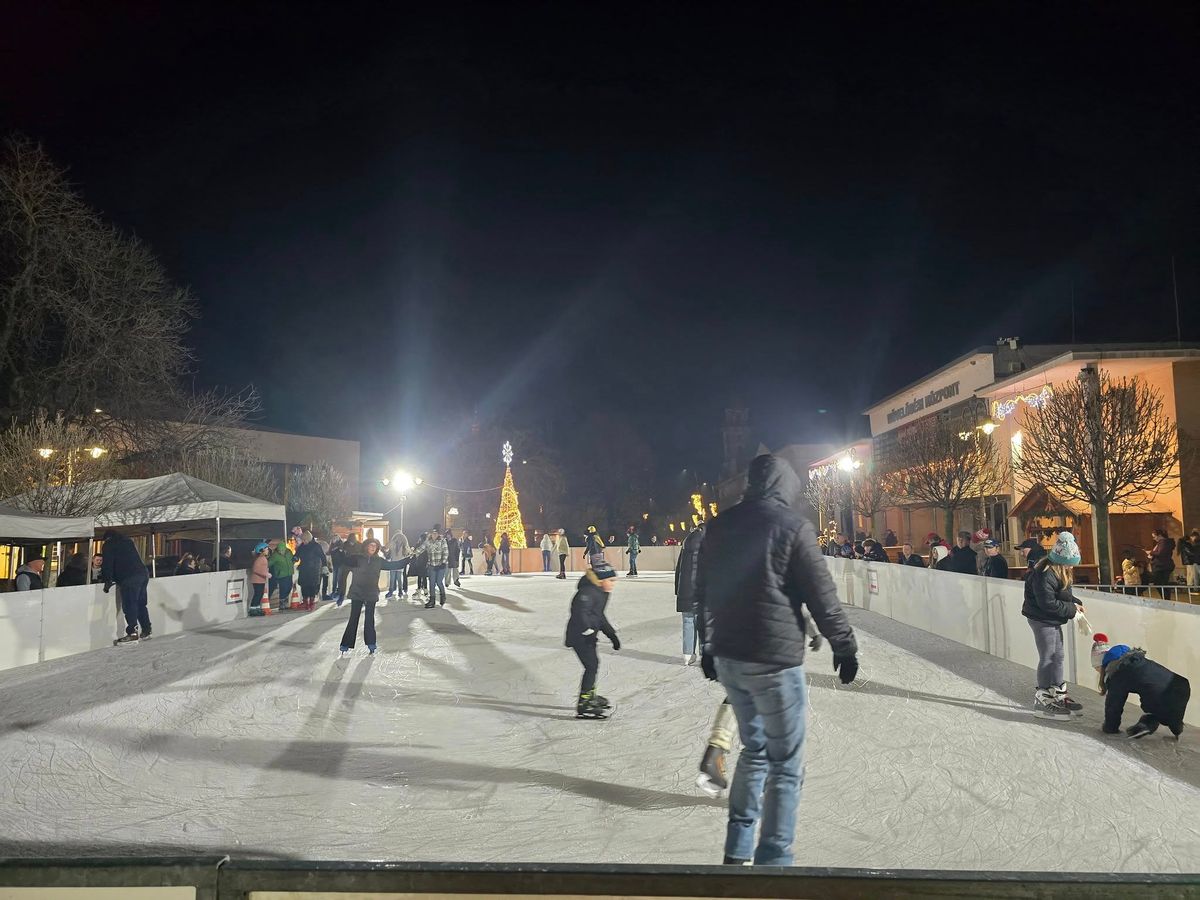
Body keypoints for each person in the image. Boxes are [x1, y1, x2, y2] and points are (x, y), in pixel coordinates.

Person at [694, 454, 859, 867]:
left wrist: (708, 645)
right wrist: (845, 645)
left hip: (731, 656)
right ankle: (774, 864)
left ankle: (736, 854)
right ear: (786, 486)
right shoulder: (792, 527)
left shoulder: (719, 526)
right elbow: (821, 594)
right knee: (785, 765)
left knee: (754, 751)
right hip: (774, 660)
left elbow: (705, 591)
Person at [1021, 532, 1084, 720]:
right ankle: (1042, 698)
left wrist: (1075, 602)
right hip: (1041, 619)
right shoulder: (1044, 573)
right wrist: (1071, 609)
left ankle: (1057, 692)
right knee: (1048, 656)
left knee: (1058, 655)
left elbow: (1061, 595)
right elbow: (1047, 603)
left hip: (1051, 618)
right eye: (1070, 562)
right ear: (1060, 560)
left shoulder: (1059, 571)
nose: (1072, 566)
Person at [1091, 633, 1190, 739]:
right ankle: (1176, 728)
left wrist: (1110, 728)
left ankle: (1148, 723)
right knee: (1171, 715)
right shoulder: (1138, 661)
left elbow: (1114, 704)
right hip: (1182, 685)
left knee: (1156, 705)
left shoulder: (1119, 673)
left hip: (1161, 696)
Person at [564, 559, 621, 718]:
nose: (613, 584)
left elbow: (599, 616)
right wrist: (587, 630)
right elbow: (579, 611)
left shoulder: (601, 593)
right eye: (610, 580)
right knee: (592, 665)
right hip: (580, 636)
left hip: (588, 636)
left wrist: (611, 635)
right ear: (601, 580)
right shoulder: (588, 592)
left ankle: (589, 695)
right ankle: (584, 703)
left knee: (593, 665)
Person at [339, 538, 410, 657]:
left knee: (369, 619)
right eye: (371, 545)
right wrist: (339, 552)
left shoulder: (379, 561)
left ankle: (371, 643)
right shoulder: (357, 558)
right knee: (353, 619)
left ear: (377, 548)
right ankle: (345, 644)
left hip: (371, 592)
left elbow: (394, 565)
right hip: (357, 591)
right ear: (366, 546)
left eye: (375, 546)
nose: (372, 547)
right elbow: (345, 561)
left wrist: (408, 560)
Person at [101, 530, 152, 642]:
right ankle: (147, 630)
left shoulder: (109, 545)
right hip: (143, 573)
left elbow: (107, 564)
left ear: (107, 539)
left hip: (129, 577)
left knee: (130, 604)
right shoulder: (128, 541)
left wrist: (107, 580)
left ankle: (133, 633)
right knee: (140, 604)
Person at [676, 521, 706, 665]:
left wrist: (678, 590)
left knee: (688, 622)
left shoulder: (685, 545)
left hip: (685, 592)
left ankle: (687, 655)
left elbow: (678, 571)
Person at [295, 530, 326, 610]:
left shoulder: (316, 546)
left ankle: (311, 602)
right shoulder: (302, 546)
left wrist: (324, 566)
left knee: (312, 585)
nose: (303, 541)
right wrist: (294, 558)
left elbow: (322, 556)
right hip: (304, 568)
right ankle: (305, 602)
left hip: (314, 569)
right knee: (304, 585)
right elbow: (297, 554)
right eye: (303, 540)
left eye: (305, 540)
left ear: (309, 539)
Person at [267, 537, 296, 611]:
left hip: (289, 573)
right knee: (283, 588)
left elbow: (291, 559)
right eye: (280, 550)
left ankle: (284, 601)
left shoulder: (289, 552)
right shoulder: (275, 555)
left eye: (282, 550)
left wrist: (295, 560)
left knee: (289, 587)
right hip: (281, 574)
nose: (281, 552)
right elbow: (268, 563)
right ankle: (282, 603)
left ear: (285, 549)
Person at [425, 528, 449, 608]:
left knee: (439, 582)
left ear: (438, 534)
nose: (434, 535)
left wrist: (443, 562)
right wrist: (412, 553)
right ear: (431, 534)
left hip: (440, 566)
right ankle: (432, 601)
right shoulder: (428, 542)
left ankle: (443, 596)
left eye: (436, 533)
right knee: (431, 583)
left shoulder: (442, 541)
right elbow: (421, 549)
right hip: (432, 565)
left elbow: (446, 552)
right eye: (433, 533)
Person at [385, 529, 411, 600]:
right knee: (399, 578)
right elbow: (408, 552)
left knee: (393, 578)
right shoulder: (403, 543)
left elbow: (386, 548)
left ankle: (392, 591)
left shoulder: (395, 543)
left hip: (394, 563)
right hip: (399, 563)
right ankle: (399, 591)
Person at [248, 541, 270, 616]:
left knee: (260, 594)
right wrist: (266, 574)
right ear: (261, 550)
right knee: (257, 594)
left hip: (260, 580)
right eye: (266, 549)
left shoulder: (262, 558)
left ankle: (257, 608)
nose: (268, 550)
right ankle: (253, 609)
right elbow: (255, 569)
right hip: (257, 580)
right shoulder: (260, 559)